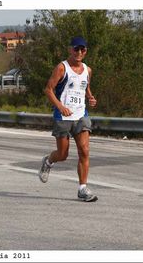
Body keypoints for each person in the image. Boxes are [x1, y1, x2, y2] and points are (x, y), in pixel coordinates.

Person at [38, 36, 98, 202]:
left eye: (82, 49)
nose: (79, 52)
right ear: (70, 50)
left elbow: (85, 86)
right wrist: (60, 107)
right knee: (62, 154)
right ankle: (49, 161)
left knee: (84, 151)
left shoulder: (88, 70)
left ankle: (82, 188)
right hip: (63, 116)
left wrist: (91, 98)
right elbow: (48, 90)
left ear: (85, 51)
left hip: (81, 115)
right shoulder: (62, 68)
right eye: (76, 49)